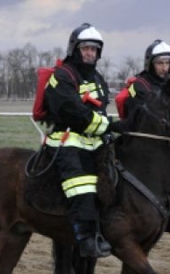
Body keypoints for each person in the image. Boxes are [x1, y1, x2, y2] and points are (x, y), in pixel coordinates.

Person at [43, 23, 113, 258]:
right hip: (68, 141)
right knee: (81, 186)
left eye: (94, 49)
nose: (90, 53)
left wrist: (109, 128)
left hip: (95, 142)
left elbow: (101, 109)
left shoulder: (97, 78)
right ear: (75, 48)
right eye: (86, 48)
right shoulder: (62, 76)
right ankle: (85, 239)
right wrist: (106, 126)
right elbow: (73, 111)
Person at [123, 39, 170, 234]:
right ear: (150, 64)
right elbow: (139, 117)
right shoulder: (139, 86)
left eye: (167, 63)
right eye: (160, 63)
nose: (164, 67)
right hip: (145, 143)